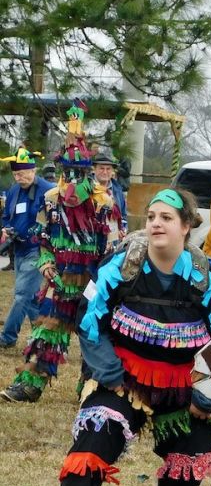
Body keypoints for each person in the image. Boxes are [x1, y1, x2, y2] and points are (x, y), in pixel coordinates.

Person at [40, 187, 211, 486]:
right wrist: (110, 376)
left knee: (195, 444)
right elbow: (89, 321)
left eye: (166, 218)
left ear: (187, 226)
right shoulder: (122, 264)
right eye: (152, 217)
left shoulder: (207, 278)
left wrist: (206, 396)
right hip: (124, 378)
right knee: (100, 426)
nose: (156, 224)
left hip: (181, 388)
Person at [1, 101, 115, 404]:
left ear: (87, 171)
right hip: (60, 277)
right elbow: (43, 236)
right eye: (68, 171)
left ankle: (91, 387)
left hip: (93, 278)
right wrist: (47, 261)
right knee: (48, 330)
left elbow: (114, 244)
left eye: (79, 172)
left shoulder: (103, 202)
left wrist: (105, 276)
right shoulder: (51, 199)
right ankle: (29, 384)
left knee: (96, 332)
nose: (73, 179)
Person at [0, 146, 55, 349]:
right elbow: (6, 217)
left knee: (21, 295)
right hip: (19, 250)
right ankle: (41, 336)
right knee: (30, 298)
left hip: (38, 250)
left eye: (22, 174)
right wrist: (6, 229)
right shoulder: (14, 190)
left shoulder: (49, 190)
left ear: (33, 171)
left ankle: (7, 337)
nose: (18, 178)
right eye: (15, 174)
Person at [92, 151, 128, 243]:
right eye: (101, 168)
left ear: (112, 171)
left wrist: (122, 230)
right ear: (94, 169)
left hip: (113, 243)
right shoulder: (86, 188)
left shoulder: (118, 190)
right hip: (91, 243)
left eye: (108, 169)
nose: (105, 172)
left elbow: (123, 216)